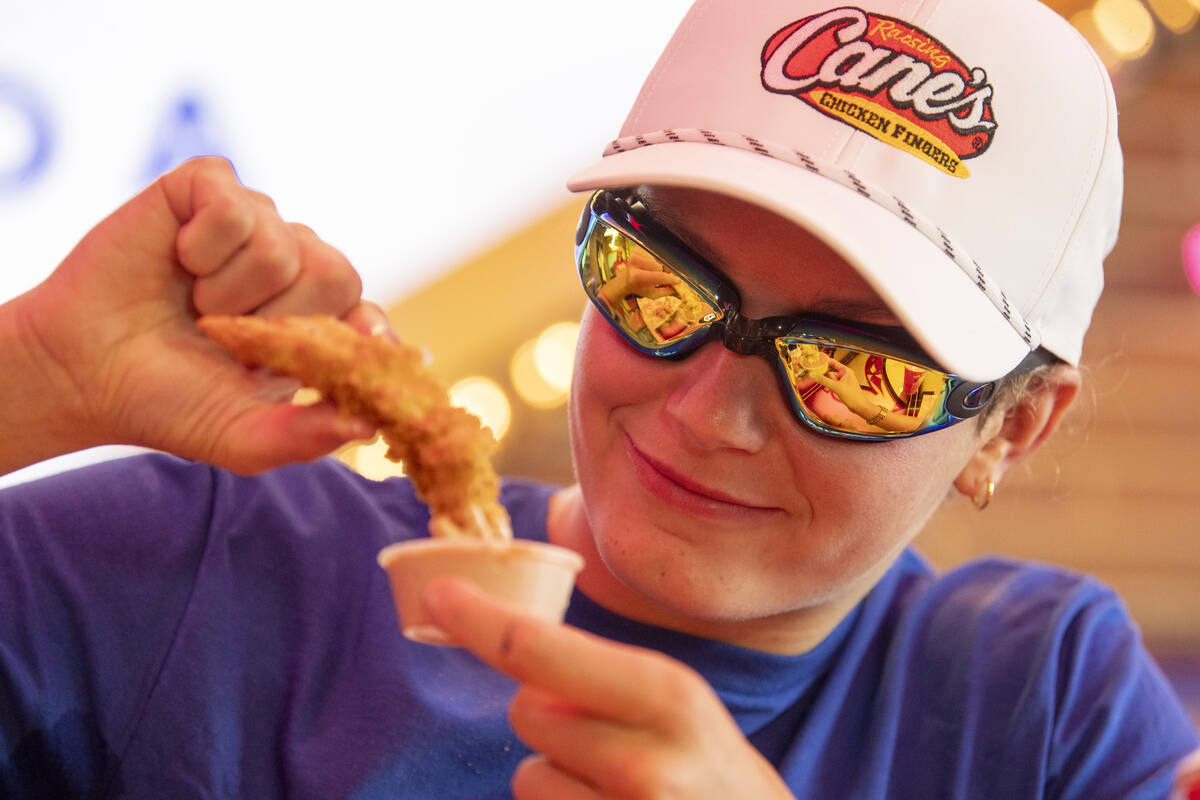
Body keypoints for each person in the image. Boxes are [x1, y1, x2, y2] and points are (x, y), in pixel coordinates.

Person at [1, 1, 1197, 798]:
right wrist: (33, 381)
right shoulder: (214, 575)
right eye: (660, 284)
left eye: (858, 367)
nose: (707, 413)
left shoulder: (1036, 710)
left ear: (1010, 425)